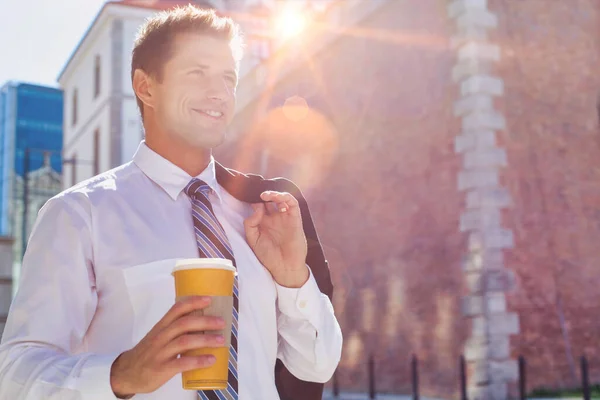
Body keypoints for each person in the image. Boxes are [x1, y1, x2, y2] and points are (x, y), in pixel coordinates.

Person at [0, 5, 342, 400]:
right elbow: (14, 373)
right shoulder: (79, 215)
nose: (219, 92)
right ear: (146, 87)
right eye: (197, 73)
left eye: (228, 77)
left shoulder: (257, 218)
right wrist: (118, 375)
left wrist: (291, 277)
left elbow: (318, 363)